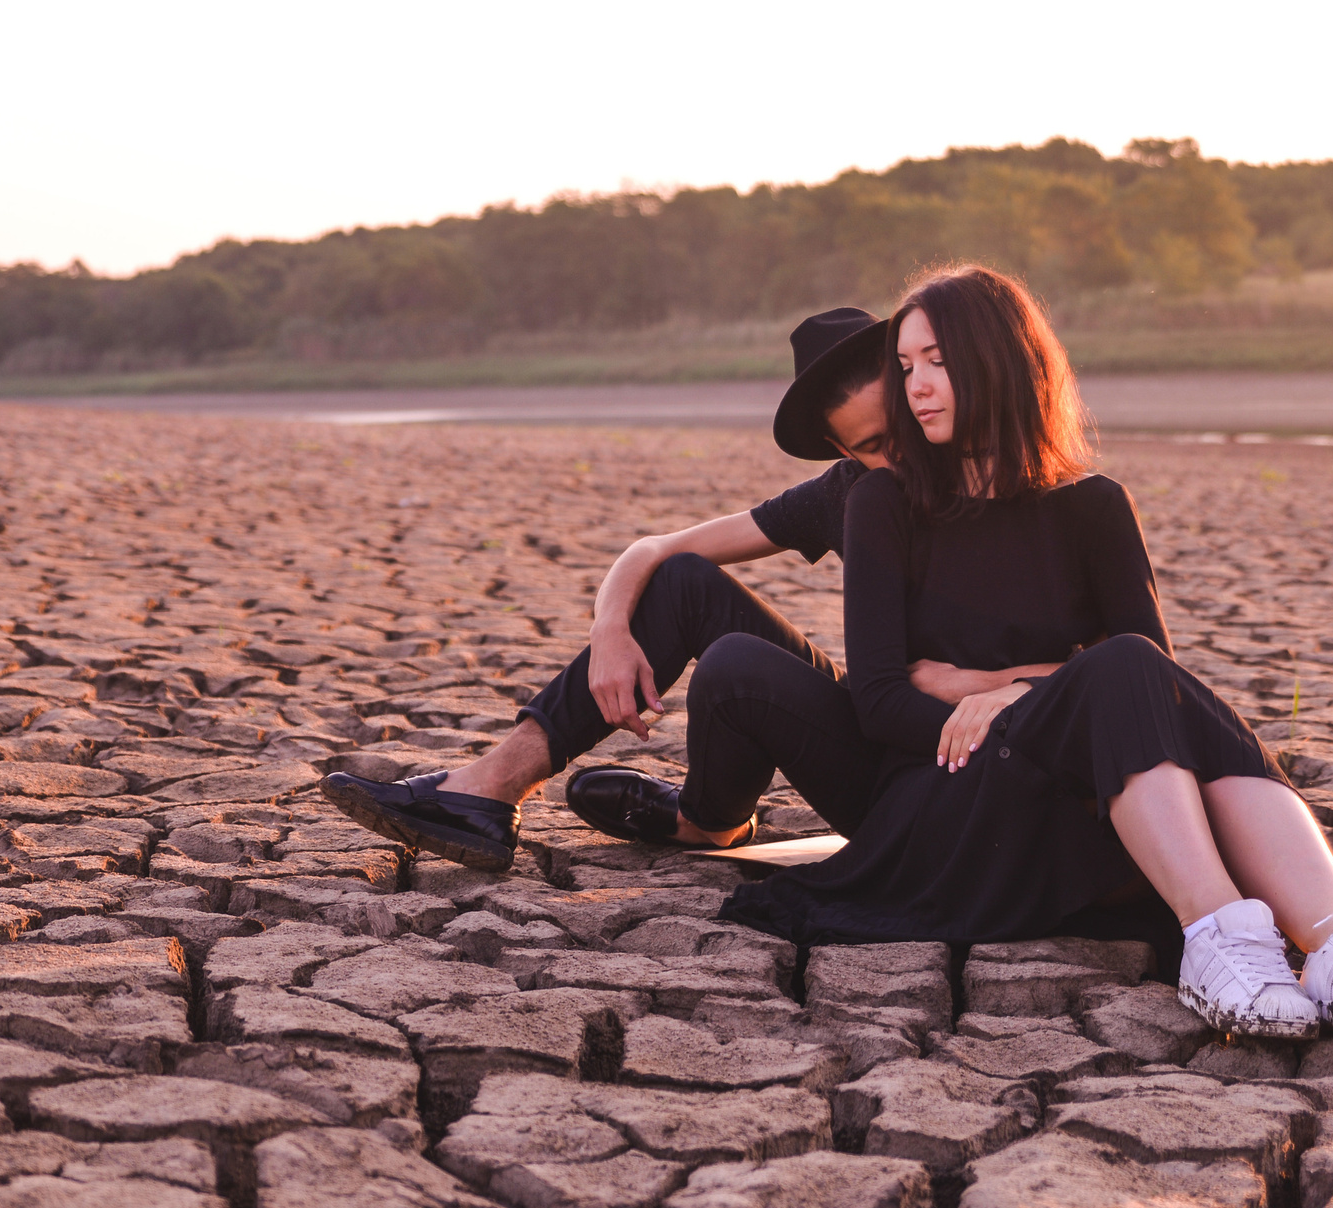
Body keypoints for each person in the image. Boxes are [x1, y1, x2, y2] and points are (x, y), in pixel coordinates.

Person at [721, 266, 1333, 1041]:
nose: (917, 387)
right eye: (905, 368)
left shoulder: (1094, 506)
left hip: (1079, 800)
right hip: (956, 797)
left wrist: (1010, 688)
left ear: (997, 358)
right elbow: (879, 701)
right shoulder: (882, 502)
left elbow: (1155, 700)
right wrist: (1032, 697)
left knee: (1140, 671)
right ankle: (1218, 937)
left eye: (936, 359)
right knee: (1121, 664)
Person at [318, 307, 912, 870]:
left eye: (902, 426)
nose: (900, 453)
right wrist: (610, 631)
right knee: (684, 582)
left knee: (737, 664)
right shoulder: (845, 491)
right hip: (873, 732)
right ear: (841, 450)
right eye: (870, 445)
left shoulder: (992, 472)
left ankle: (699, 820)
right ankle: (497, 789)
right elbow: (653, 550)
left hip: (930, 771)